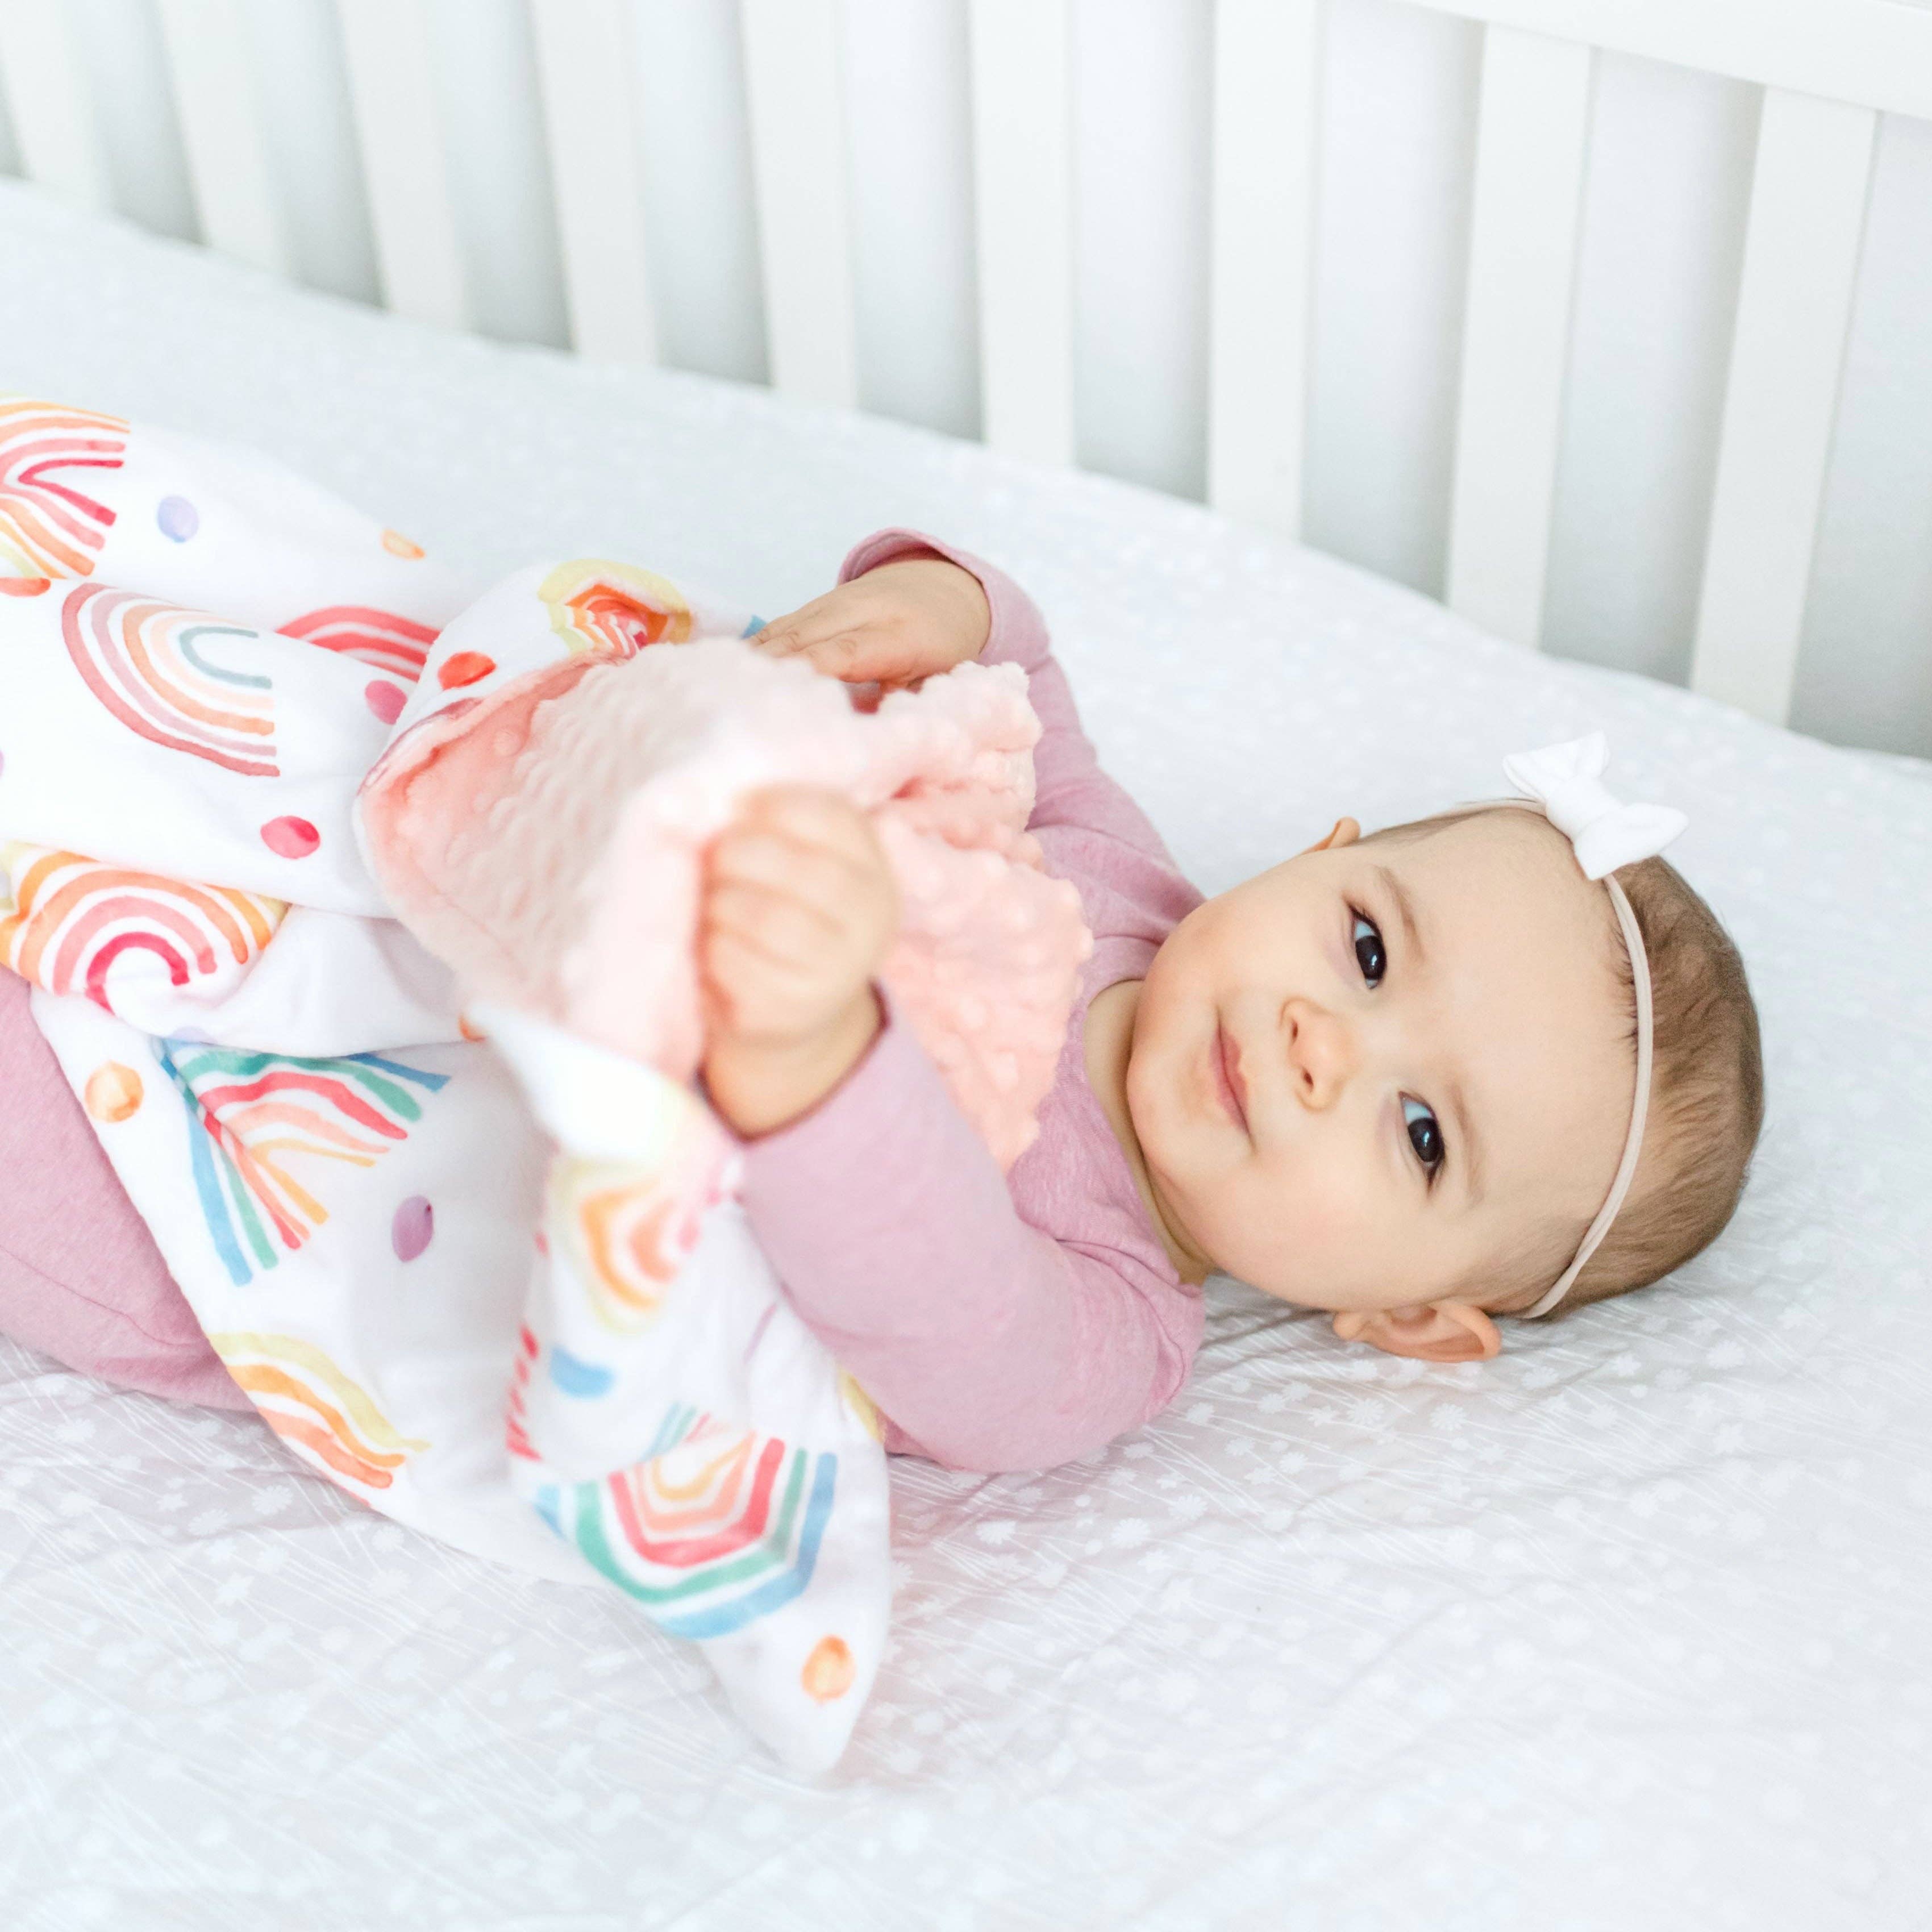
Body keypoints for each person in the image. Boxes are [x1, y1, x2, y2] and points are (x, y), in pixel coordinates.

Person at [0, 531, 1763, 1475]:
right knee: (254, 694)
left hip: (416, 1183)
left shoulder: (1109, 1335)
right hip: (470, 894)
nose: (1324, 1045)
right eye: (1369, 951)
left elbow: (942, 1306)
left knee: (101, 1201)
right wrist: (938, 605)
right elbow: (1020, 665)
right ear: (1323, 853)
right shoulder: (1118, 875)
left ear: (1413, 1319)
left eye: (1422, 1131)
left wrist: (815, 1049)